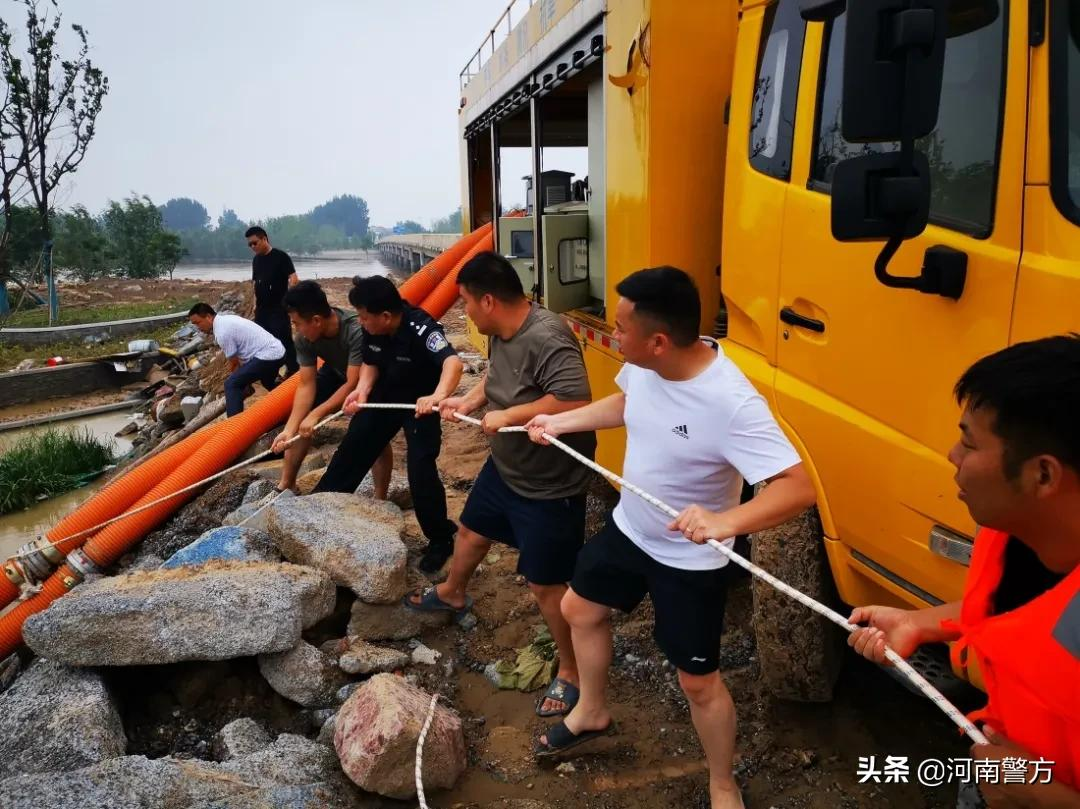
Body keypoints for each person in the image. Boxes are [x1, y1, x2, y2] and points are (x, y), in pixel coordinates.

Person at [525, 267, 816, 809]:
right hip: (631, 528)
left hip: (689, 558)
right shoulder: (644, 367)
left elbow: (797, 489)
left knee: (698, 684)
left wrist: (725, 523)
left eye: (619, 329)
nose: (612, 337)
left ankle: (722, 781)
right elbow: (626, 406)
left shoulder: (730, 400)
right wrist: (559, 422)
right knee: (579, 608)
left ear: (658, 341)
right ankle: (592, 709)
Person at [848, 335, 1080, 809]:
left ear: (1043, 475)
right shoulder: (1020, 532)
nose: (953, 456)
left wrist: (1042, 796)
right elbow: (1032, 623)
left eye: (969, 442)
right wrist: (922, 622)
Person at [404, 251, 597, 716]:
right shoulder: (501, 333)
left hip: (549, 482)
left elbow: (575, 400)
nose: (464, 312)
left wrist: (508, 415)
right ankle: (452, 592)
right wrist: (465, 402)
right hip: (508, 466)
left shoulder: (548, 336)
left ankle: (571, 672)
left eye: (467, 302)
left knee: (545, 584)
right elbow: (497, 378)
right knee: (471, 530)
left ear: (488, 300)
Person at [314, 275, 463, 573]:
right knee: (354, 445)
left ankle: (440, 538)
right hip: (384, 396)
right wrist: (363, 390)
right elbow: (370, 361)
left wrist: (437, 396)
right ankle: (318, 510)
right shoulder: (373, 327)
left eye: (365, 317)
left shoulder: (421, 327)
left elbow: (453, 363)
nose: (361, 322)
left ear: (385, 316)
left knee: (420, 468)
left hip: (420, 404)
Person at [269, 280, 391, 497]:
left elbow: (352, 383)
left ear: (316, 320)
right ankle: (287, 483)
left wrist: (318, 414)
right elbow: (306, 384)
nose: (295, 329)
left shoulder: (355, 331)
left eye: (297, 323)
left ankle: (380, 496)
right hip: (335, 372)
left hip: (367, 378)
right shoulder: (304, 338)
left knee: (374, 431)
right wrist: (290, 428)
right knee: (299, 420)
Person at [187, 302, 284, 416]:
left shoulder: (222, 332)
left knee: (231, 384)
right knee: (268, 382)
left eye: (198, 323)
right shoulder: (226, 320)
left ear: (208, 317)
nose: (198, 328)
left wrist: (241, 381)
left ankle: (233, 425)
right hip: (277, 349)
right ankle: (287, 403)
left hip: (268, 356)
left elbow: (234, 364)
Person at [247, 226, 299, 376]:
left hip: (278, 308)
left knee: (284, 340)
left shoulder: (280, 256)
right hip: (262, 309)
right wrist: (254, 305)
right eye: (249, 244)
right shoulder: (256, 260)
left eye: (254, 243)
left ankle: (294, 371)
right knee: (263, 341)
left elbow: (294, 278)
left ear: (264, 238)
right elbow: (255, 283)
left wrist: (288, 300)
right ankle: (271, 373)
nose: (252, 247)